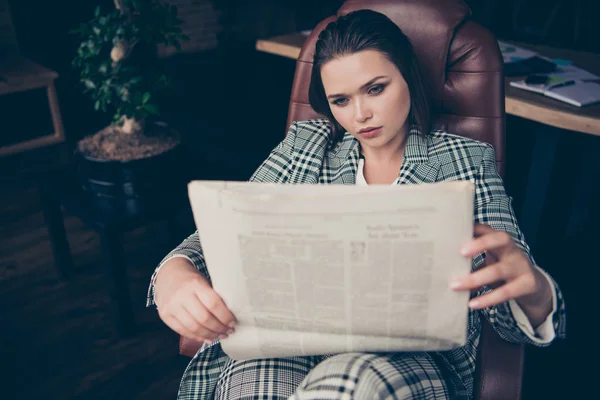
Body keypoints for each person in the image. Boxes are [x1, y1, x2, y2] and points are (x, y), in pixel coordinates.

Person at [147, 9, 566, 400]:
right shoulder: (306, 147)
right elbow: (217, 236)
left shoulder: (462, 160)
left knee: (350, 385)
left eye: (376, 89)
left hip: (405, 361)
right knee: (250, 383)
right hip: (287, 344)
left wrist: (534, 289)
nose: (361, 114)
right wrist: (173, 274)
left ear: (408, 78)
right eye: (341, 100)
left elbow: (509, 306)